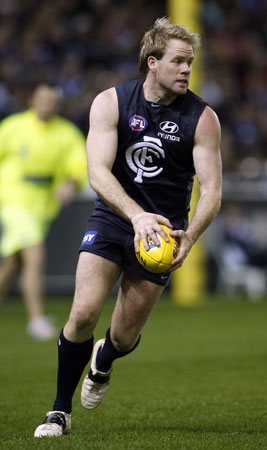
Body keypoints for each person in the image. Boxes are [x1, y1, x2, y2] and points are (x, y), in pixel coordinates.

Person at [34, 17, 222, 437]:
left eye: (190, 62)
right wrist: (134, 215)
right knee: (82, 313)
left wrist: (188, 236)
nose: (187, 70)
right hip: (115, 218)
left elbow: (212, 190)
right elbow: (96, 171)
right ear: (152, 63)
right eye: (178, 62)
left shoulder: (203, 117)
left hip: (163, 233)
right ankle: (59, 412)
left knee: (122, 334)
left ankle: (104, 362)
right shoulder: (111, 102)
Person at [0, 84, 87, 340]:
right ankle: (36, 319)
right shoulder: (13, 127)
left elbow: (78, 163)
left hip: (42, 206)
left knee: (15, 262)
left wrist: (70, 184)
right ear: (32, 100)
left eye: (52, 101)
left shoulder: (66, 133)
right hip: (12, 199)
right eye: (43, 100)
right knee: (34, 253)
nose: (47, 105)